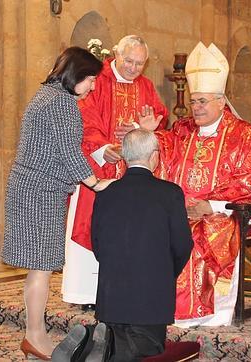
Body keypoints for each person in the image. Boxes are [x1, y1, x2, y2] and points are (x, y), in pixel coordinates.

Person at [144, 42, 251, 327]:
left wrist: (210, 205)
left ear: (221, 102)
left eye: (203, 101)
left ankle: (206, 313)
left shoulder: (243, 134)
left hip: (222, 213)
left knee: (199, 238)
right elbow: (161, 153)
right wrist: (149, 133)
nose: (195, 108)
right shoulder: (183, 129)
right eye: (193, 101)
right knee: (154, 231)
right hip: (181, 210)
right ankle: (158, 307)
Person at [2, 47, 113, 360]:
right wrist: (94, 182)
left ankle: (33, 333)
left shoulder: (46, 95)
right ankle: (35, 336)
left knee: (41, 267)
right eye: (90, 79)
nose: (92, 86)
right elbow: (68, 151)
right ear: (76, 74)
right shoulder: (63, 103)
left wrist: (92, 166)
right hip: (40, 191)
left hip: (31, 186)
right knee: (42, 268)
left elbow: (57, 150)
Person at [52, 129, 193, 361]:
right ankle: (102, 347)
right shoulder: (170, 193)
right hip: (151, 298)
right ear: (154, 156)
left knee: (112, 333)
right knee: (150, 345)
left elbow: (97, 242)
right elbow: (182, 245)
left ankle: (88, 341)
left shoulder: (107, 193)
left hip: (112, 298)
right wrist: (165, 273)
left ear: (125, 157)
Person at [62, 35, 169, 309]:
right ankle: (86, 293)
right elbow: (83, 117)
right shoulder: (97, 80)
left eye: (140, 64)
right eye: (129, 61)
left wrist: (141, 126)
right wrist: (102, 149)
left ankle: (124, 290)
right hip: (99, 166)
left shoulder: (145, 85)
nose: (134, 68)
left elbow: (160, 116)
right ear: (116, 56)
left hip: (133, 172)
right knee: (92, 221)